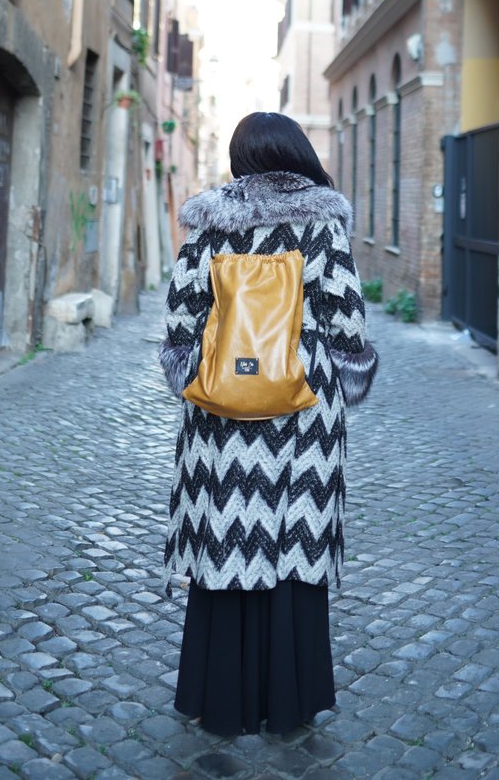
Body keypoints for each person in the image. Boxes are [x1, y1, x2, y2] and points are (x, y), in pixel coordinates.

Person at [159, 111, 378, 736]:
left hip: (220, 415)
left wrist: (198, 372)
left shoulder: (207, 223)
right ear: (297, 154)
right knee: (291, 549)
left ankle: (218, 696)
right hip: (304, 413)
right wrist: (346, 368)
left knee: (225, 544)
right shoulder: (322, 221)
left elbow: (180, 322)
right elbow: (350, 326)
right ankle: (289, 700)